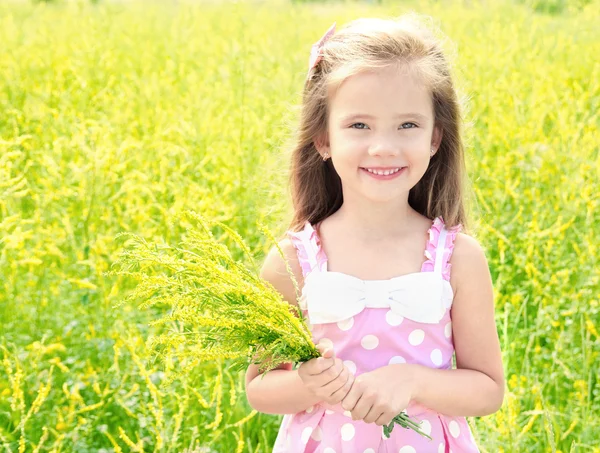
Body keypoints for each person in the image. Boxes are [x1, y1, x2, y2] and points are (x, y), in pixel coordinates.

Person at [245, 13, 504, 453]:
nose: (383, 147)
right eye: (359, 125)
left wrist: (413, 381)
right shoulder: (292, 259)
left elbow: (487, 389)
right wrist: (311, 383)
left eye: (407, 125)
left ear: (435, 139)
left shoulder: (457, 257)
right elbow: (259, 388)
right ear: (323, 139)